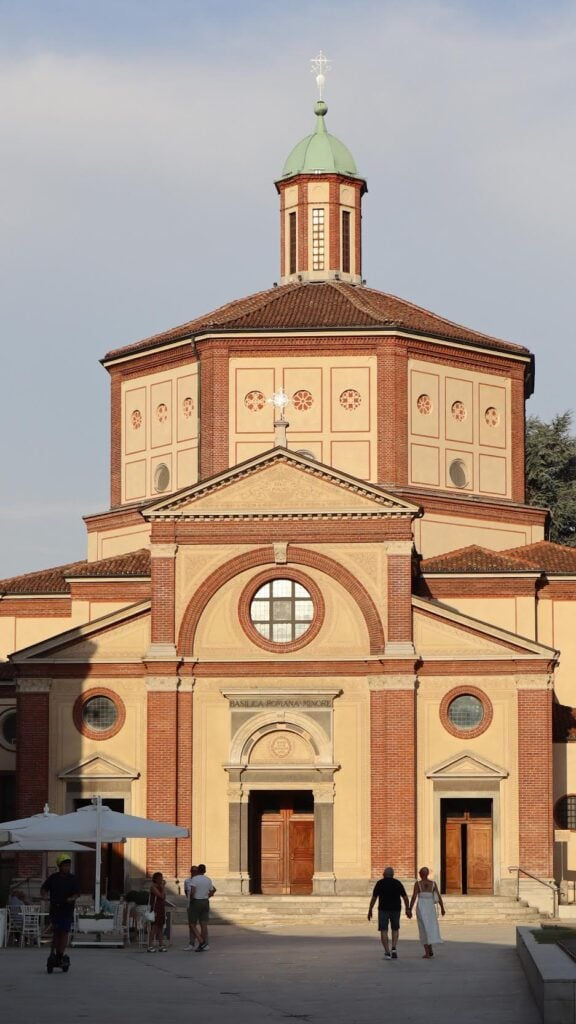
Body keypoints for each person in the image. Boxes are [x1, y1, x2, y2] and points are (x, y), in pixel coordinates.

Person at [40, 854, 80, 964]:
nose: (67, 867)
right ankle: (55, 952)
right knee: (56, 932)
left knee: (64, 932)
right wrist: (44, 895)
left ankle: (60, 954)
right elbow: (44, 888)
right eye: (65, 865)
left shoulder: (73, 879)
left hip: (66, 910)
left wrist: (72, 898)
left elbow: (77, 893)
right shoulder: (53, 878)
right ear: (59, 866)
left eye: (68, 865)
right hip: (55, 909)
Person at [367, 866, 411, 960]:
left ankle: (387, 952)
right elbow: (405, 897)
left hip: (383, 910)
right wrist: (408, 909)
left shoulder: (380, 883)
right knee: (395, 929)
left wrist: (370, 909)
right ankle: (394, 948)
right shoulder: (397, 883)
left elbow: (374, 898)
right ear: (392, 875)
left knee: (384, 930)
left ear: (384, 874)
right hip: (396, 909)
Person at [409, 866, 445, 959]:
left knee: (423, 928)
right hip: (430, 907)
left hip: (421, 906)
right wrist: (442, 908)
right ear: (427, 874)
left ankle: (427, 953)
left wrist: (409, 908)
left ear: (420, 874)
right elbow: (438, 896)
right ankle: (430, 949)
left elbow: (414, 897)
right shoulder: (433, 884)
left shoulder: (418, 884)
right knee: (430, 927)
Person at [188, 864, 216, 952]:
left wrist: (191, 899)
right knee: (203, 925)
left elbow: (193, 891)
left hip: (196, 901)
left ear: (198, 871)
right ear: (205, 871)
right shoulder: (208, 879)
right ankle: (202, 944)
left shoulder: (194, 879)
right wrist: (207, 896)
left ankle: (201, 941)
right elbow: (212, 890)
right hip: (205, 901)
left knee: (192, 924)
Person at [147, 871, 167, 952]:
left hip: (161, 908)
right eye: (160, 878)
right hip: (155, 908)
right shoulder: (153, 887)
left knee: (160, 927)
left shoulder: (160, 887)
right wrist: (163, 887)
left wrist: (162, 888)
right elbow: (161, 896)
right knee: (154, 927)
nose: (161, 880)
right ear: (156, 879)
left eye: (162, 878)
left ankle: (161, 945)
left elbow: (164, 897)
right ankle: (150, 946)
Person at [183, 865, 200, 950]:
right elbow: (186, 892)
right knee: (191, 925)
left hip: (199, 904)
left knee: (202, 924)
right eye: (192, 871)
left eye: (195, 871)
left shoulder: (200, 881)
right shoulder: (187, 881)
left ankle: (202, 941)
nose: (194, 873)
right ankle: (191, 943)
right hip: (190, 905)